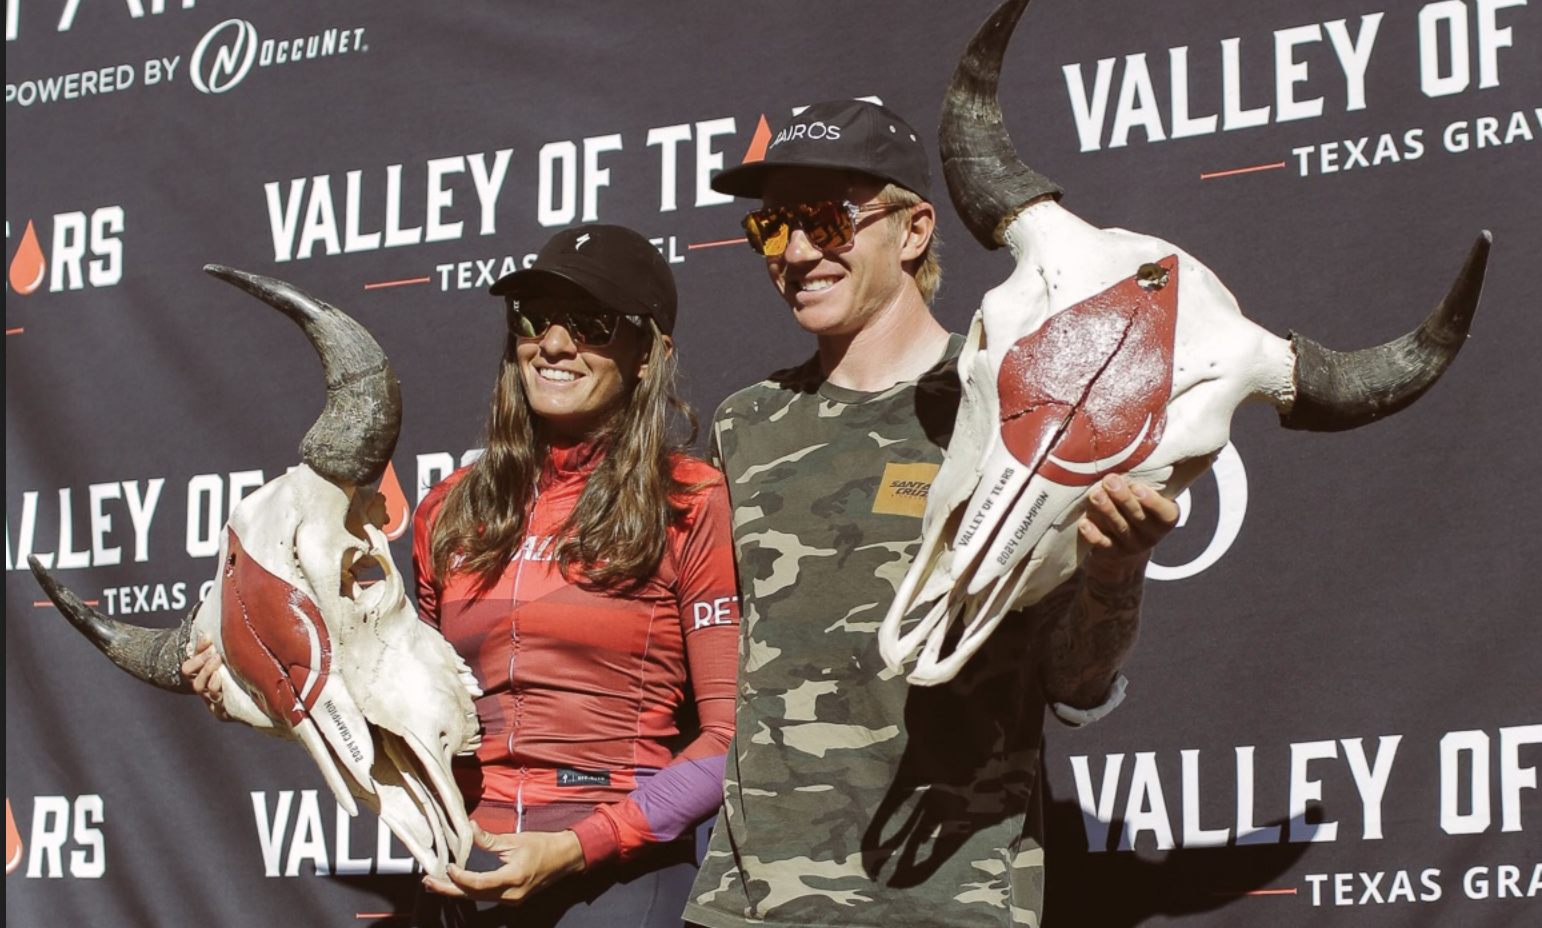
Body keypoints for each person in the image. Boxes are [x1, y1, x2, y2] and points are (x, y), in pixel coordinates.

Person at [681, 100, 1179, 928]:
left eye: (826, 220)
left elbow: (1073, 683)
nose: (798, 252)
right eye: (773, 228)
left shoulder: (1019, 412)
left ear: (912, 232)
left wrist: (1116, 574)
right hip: (748, 901)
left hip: (945, 897)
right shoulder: (746, 423)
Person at [188, 223, 742, 928]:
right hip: (459, 866)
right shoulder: (450, 508)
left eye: (591, 322)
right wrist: (253, 686)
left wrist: (577, 846)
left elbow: (728, 741)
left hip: (617, 880)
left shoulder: (694, 502)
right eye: (534, 318)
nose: (555, 343)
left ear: (649, 352)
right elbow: (399, 710)